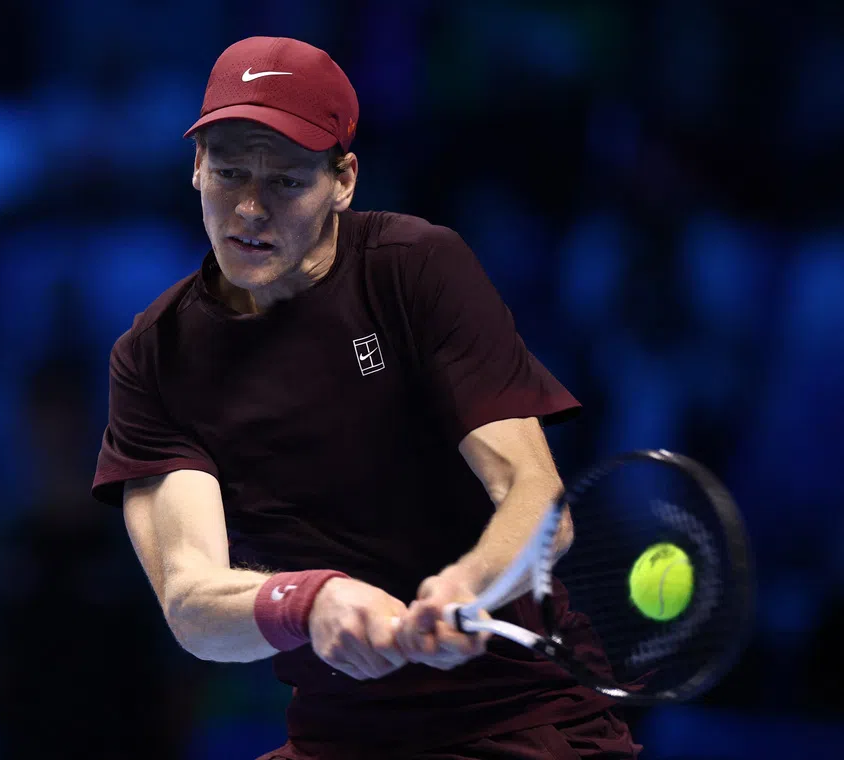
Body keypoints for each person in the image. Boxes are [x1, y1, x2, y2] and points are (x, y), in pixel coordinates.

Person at [93, 36, 640, 759]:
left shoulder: (415, 269)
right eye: (228, 173)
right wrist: (310, 601)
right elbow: (194, 606)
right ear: (196, 168)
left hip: (523, 723)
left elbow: (538, 500)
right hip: (339, 736)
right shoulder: (154, 357)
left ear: (343, 179)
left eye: (286, 182)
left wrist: (467, 586)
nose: (249, 208)